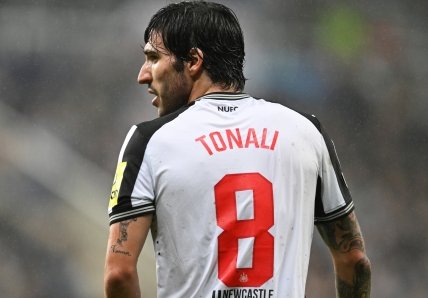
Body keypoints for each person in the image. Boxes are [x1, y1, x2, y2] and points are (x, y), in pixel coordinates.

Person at [104, 1, 371, 297]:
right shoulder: (306, 132)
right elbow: (354, 260)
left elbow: (118, 274)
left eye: (154, 58)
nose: (143, 74)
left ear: (193, 61)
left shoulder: (149, 141)